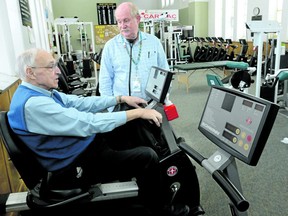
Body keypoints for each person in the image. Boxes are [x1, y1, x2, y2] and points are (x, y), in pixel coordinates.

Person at [7, 48, 189, 216]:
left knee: (132, 126)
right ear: (30, 72)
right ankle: (161, 209)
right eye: (50, 67)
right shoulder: (34, 105)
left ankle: (149, 173)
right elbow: (87, 122)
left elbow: (79, 103)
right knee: (147, 156)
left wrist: (120, 98)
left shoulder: (41, 92)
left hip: (80, 147)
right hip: (74, 164)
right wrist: (138, 112)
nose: (58, 71)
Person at [99, 2, 170, 106]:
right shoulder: (110, 47)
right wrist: (111, 109)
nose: (122, 26)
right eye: (119, 22)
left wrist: (162, 99)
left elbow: (165, 72)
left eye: (126, 20)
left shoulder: (154, 42)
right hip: (123, 109)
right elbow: (105, 81)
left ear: (137, 19)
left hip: (150, 105)